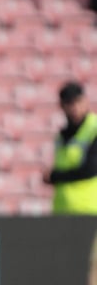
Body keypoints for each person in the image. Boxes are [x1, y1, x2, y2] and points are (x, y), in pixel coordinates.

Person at [44, 81, 97, 214]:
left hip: (89, 209)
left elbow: (91, 169)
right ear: (62, 106)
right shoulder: (62, 136)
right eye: (69, 103)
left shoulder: (94, 129)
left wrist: (55, 177)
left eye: (78, 102)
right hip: (63, 209)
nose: (75, 108)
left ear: (85, 101)